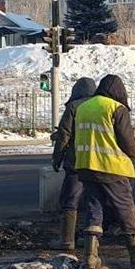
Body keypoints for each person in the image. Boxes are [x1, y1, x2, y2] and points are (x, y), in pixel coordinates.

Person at [74, 74, 135, 269]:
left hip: (86, 166)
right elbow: (127, 142)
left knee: (94, 207)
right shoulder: (115, 108)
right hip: (111, 167)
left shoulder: (83, 107)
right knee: (125, 207)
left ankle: (90, 255)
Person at [49, 76, 97, 251]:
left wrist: (57, 158)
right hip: (97, 162)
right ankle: (89, 240)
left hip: (76, 162)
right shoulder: (101, 106)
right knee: (92, 201)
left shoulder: (73, 107)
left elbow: (64, 135)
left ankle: (67, 240)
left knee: (70, 200)